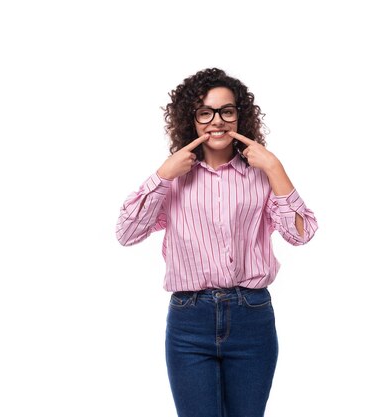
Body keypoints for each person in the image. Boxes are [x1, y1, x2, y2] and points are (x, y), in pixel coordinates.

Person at [115, 68, 318, 417]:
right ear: (191, 120)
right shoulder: (174, 178)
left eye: (227, 111)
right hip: (189, 321)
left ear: (239, 115)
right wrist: (163, 175)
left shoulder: (260, 175)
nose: (217, 122)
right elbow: (126, 233)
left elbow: (301, 234)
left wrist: (275, 168)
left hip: (251, 316)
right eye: (205, 112)